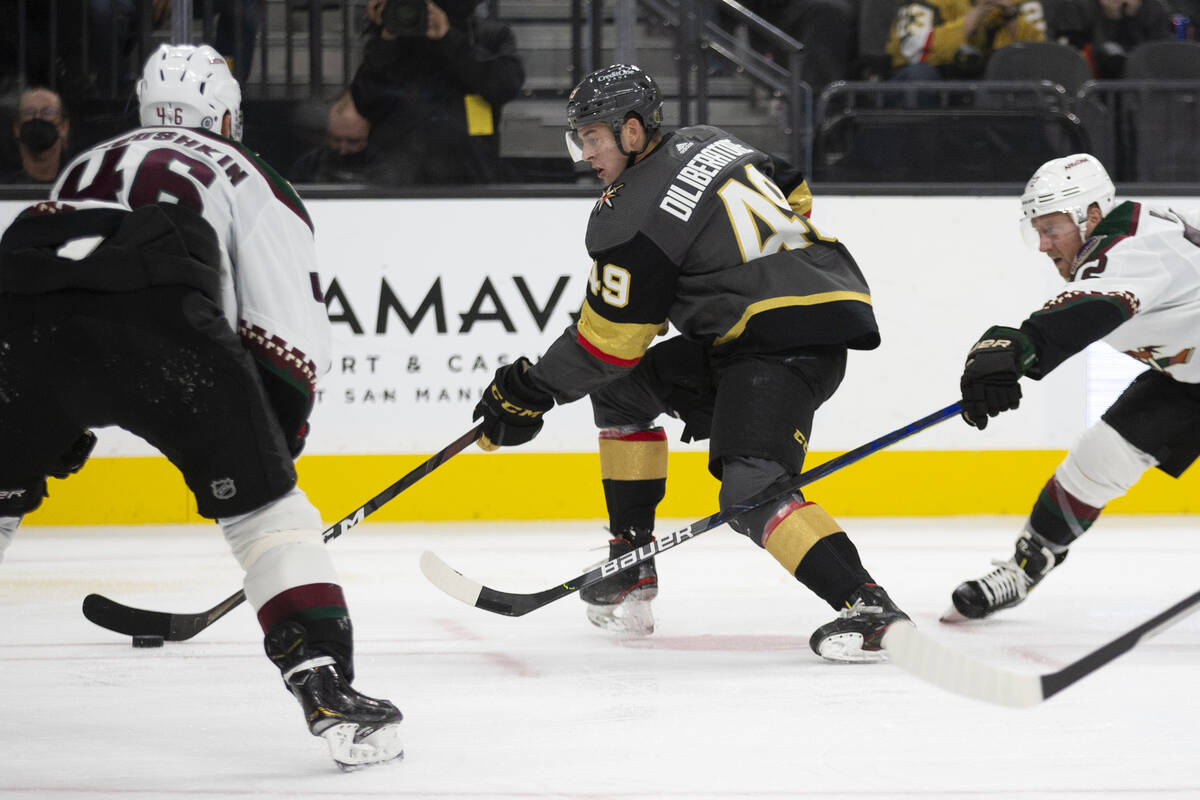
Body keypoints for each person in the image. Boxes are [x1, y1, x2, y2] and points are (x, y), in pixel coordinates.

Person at [0, 44, 402, 769]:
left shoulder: (84, 161)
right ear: (225, 114)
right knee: (269, 519)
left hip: (19, 321)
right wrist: (268, 456)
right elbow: (286, 335)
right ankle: (324, 686)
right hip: (162, 319)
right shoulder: (248, 171)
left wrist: (41, 420)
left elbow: (55, 277)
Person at [469, 63, 909, 663]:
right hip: (785, 321)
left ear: (630, 132)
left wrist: (530, 389)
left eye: (592, 138)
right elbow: (792, 186)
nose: (584, 155)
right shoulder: (708, 139)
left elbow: (607, 345)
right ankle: (632, 558)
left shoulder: (628, 214)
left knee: (751, 489)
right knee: (622, 392)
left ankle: (870, 606)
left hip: (779, 343)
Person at [948, 153, 1200, 620]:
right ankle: (1024, 569)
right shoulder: (1117, 245)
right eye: (1037, 231)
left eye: (1052, 229)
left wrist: (1024, 345)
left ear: (1093, 216)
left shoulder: (1139, 246)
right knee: (1096, 460)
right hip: (1187, 381)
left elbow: (1092, 306)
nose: (1044, 245)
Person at [348, 0, 525, 184]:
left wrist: (449, 37)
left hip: (471, 178)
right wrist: (386, 37)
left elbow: (506, 85)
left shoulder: (486, 36)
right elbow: (365, 100)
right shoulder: (394, 38)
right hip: (397, 179)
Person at [888, 0, 1047, 79]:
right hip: (938, 80)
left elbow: (1041, 58)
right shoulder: (929, 2)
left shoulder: (1022, 4)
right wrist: (976, 14)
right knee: (921, 75)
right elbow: (910, 51)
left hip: (987, 85)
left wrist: (1010, 15)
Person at [1050, 0, 1173, 78]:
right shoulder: (1077, 6)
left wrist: (1130, 17)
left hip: (1140, 90)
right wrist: (1108, 19)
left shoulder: (1154, 8)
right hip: (1091, 84)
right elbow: (1070, 51)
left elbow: (1159, 54)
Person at [288, 91, 377, 184]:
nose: (343, 150)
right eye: (336, 140)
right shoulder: (309, 165)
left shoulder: (386, 167)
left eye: (353, 141)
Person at [2, 86, 71, 184]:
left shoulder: (78, 180)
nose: (38, 117)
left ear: (64, 126)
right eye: (29, 112)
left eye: (48, 112)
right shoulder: (5, 186)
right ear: (17, 128)